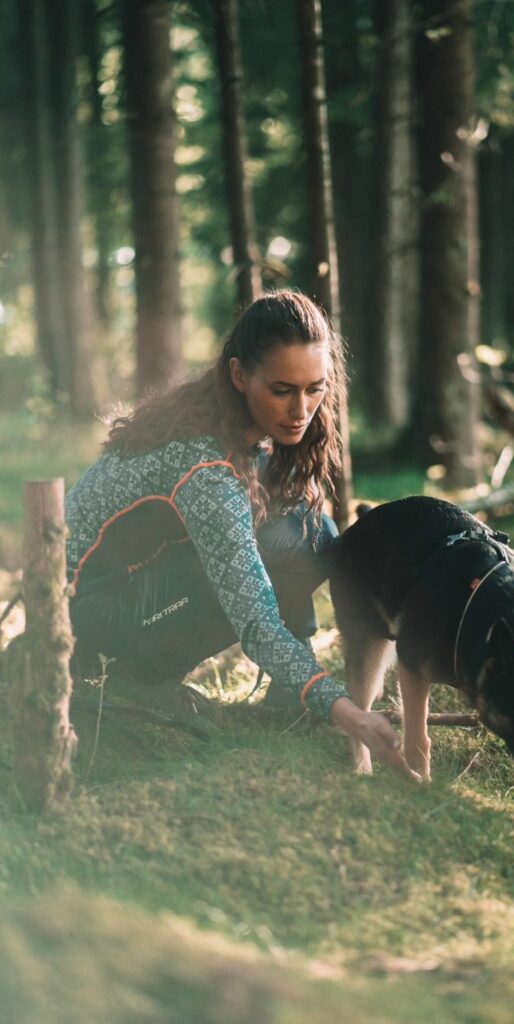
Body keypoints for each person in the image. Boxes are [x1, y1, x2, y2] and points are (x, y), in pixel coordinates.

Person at [66, 289, 415, 777]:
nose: (302, 408)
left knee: (312, 532)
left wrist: (304, 681)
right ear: (238, 375)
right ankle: (141, 676)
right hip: (90, 612)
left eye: (315, 388)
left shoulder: (242, 425)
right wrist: (344, 709)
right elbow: (253, 616)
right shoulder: (204, 466)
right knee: (262, 560)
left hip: (142, 578)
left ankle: (286, 694)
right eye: (282, 390)